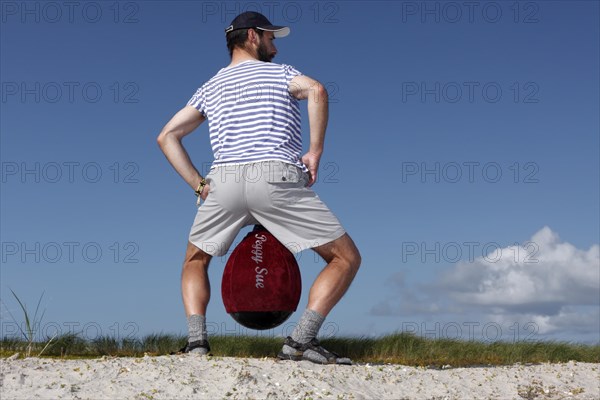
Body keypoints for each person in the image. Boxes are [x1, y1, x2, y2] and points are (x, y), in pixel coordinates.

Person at [157, 11, 361, 365]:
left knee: (195, 259)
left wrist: (198, 184)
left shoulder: (210, 86)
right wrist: (314, 151)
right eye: (271, 39)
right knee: (345, 258)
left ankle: (196, 345)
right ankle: (300, 342)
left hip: (223, 183)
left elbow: (166, 136)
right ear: (253, 36)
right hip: (275, 177)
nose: (276, 48)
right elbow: (317, 90)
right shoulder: (280, 73)